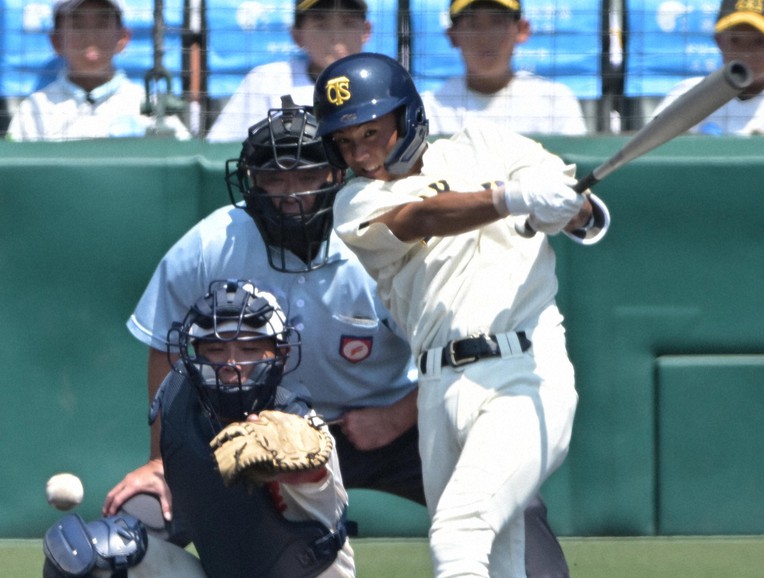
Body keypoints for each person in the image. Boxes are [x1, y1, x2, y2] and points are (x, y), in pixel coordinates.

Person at [103, 96, 574, 577]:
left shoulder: (370, 241)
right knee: (137, 516)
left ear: (335, 175)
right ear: (249, 180)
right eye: (274, 178)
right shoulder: (210, 243)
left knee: (503, 502)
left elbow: (442, 347)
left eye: (307, 176)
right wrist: (161, 459)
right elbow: (166, 344)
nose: (290, 193)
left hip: (389, 426)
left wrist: (393, 418)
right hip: (256, 429)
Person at [313, 52, 610, 577]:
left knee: (457, 532)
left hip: (523, 370)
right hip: (437, 390)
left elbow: (583, 215)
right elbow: (421, 215)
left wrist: (568, 209)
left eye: (371, 133)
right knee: (500, 562)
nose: (361, 154)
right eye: (346, 142)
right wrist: (511, 197)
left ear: (407, 117)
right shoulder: (356, 202)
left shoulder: (489, 144)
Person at [45, 279, 354, 577]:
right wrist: (161, 467)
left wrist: (280, 467)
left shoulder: (300, 425)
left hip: (306, 571)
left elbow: (313, 480)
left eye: (249, 350)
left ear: (281, 355)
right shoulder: (179, 400)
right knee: (87, 551)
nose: (231, 364)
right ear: (195, 355)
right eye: (216, 350)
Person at [6, 0, 189, 142]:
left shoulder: (152, 105)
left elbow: (181, 165)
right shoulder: (33, 110)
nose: (90, 36)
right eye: (77, 25)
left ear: (123, 38)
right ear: (56, 41)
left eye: (101, 24)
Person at [205, 0, 371, 142]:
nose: (336, 36)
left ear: (366, 31)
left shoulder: (385, 82)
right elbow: (222, 148)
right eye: (322, 25)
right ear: (296, 35)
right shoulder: (267, 81)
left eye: (347, 23)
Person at [420, 0, 587, 136]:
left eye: (497, 22)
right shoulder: (430, 109)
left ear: (522, 30)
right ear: (453, 36)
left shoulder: (555, 102)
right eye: (472, 24)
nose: (485, 37)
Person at [651, 0, 764, 135]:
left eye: (759, 42)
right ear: (719, 41)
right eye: (735, 40)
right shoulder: (687, 96)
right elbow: (650, 153)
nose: (746, 52)